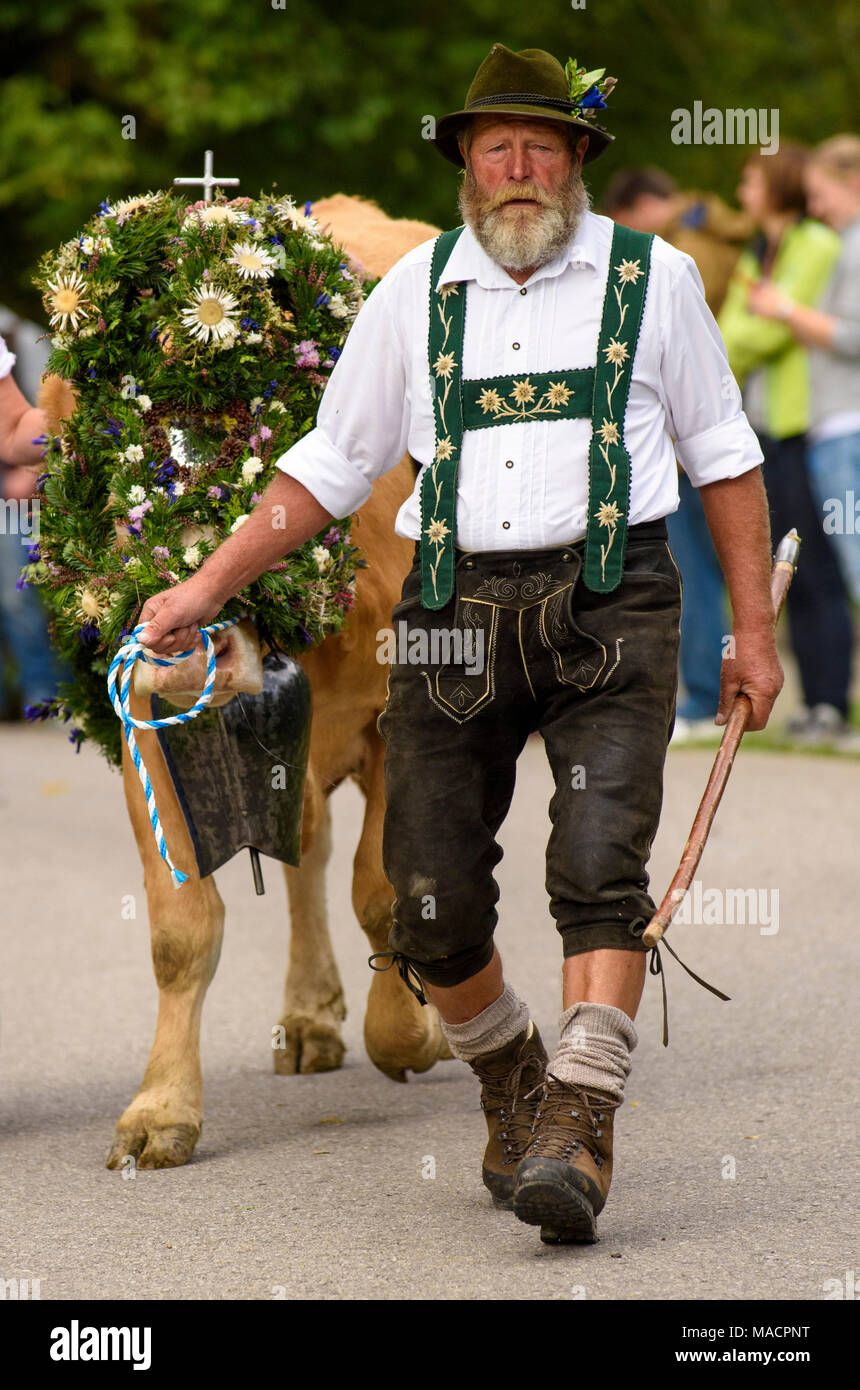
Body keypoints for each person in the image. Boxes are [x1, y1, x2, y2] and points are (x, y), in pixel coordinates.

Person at [138, 45, 783, 1244]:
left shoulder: (657, 279)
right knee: (425, 908)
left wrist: (751, 634)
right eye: (496, 148)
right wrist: (206, 580)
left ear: (578, 159)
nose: (519, 169)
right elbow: (327, 469)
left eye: (542, 145)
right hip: (446, 615)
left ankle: (580, 1123)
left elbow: (724, 454)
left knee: (595, 869)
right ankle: (512, 1078)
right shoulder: (413, 292)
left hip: (610, 606)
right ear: (465, 169)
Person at [604, 168, 754, 741]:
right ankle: (699, 692)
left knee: (688, 570)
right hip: (707, 427)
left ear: (640, 207)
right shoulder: (716, 233)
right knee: (699, 570)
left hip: (686, 436)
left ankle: (697, 699)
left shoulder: (673, 253)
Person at [719, 145, 856, 748]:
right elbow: (733, 325)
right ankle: (817, 703)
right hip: (768, 424)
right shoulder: (761, 247)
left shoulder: (818, 244)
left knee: (819, 567)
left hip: (809, 424)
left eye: (750, 181)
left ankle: (830, 701)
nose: (742, 193)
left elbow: (769, 328)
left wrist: (727, 346)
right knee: (790, 567)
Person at [747, 135, 860, 611]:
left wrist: (784, 309)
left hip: (846, 428)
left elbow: (855, 336)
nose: (813, 207)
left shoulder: (854, 246)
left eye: (820, 194)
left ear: (852, 182)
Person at [0, 328, 68, 719]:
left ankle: (44, 697)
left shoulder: (20, 338)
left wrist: (32, 470)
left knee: (19, 592)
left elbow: (53, 410)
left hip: (11, 493)